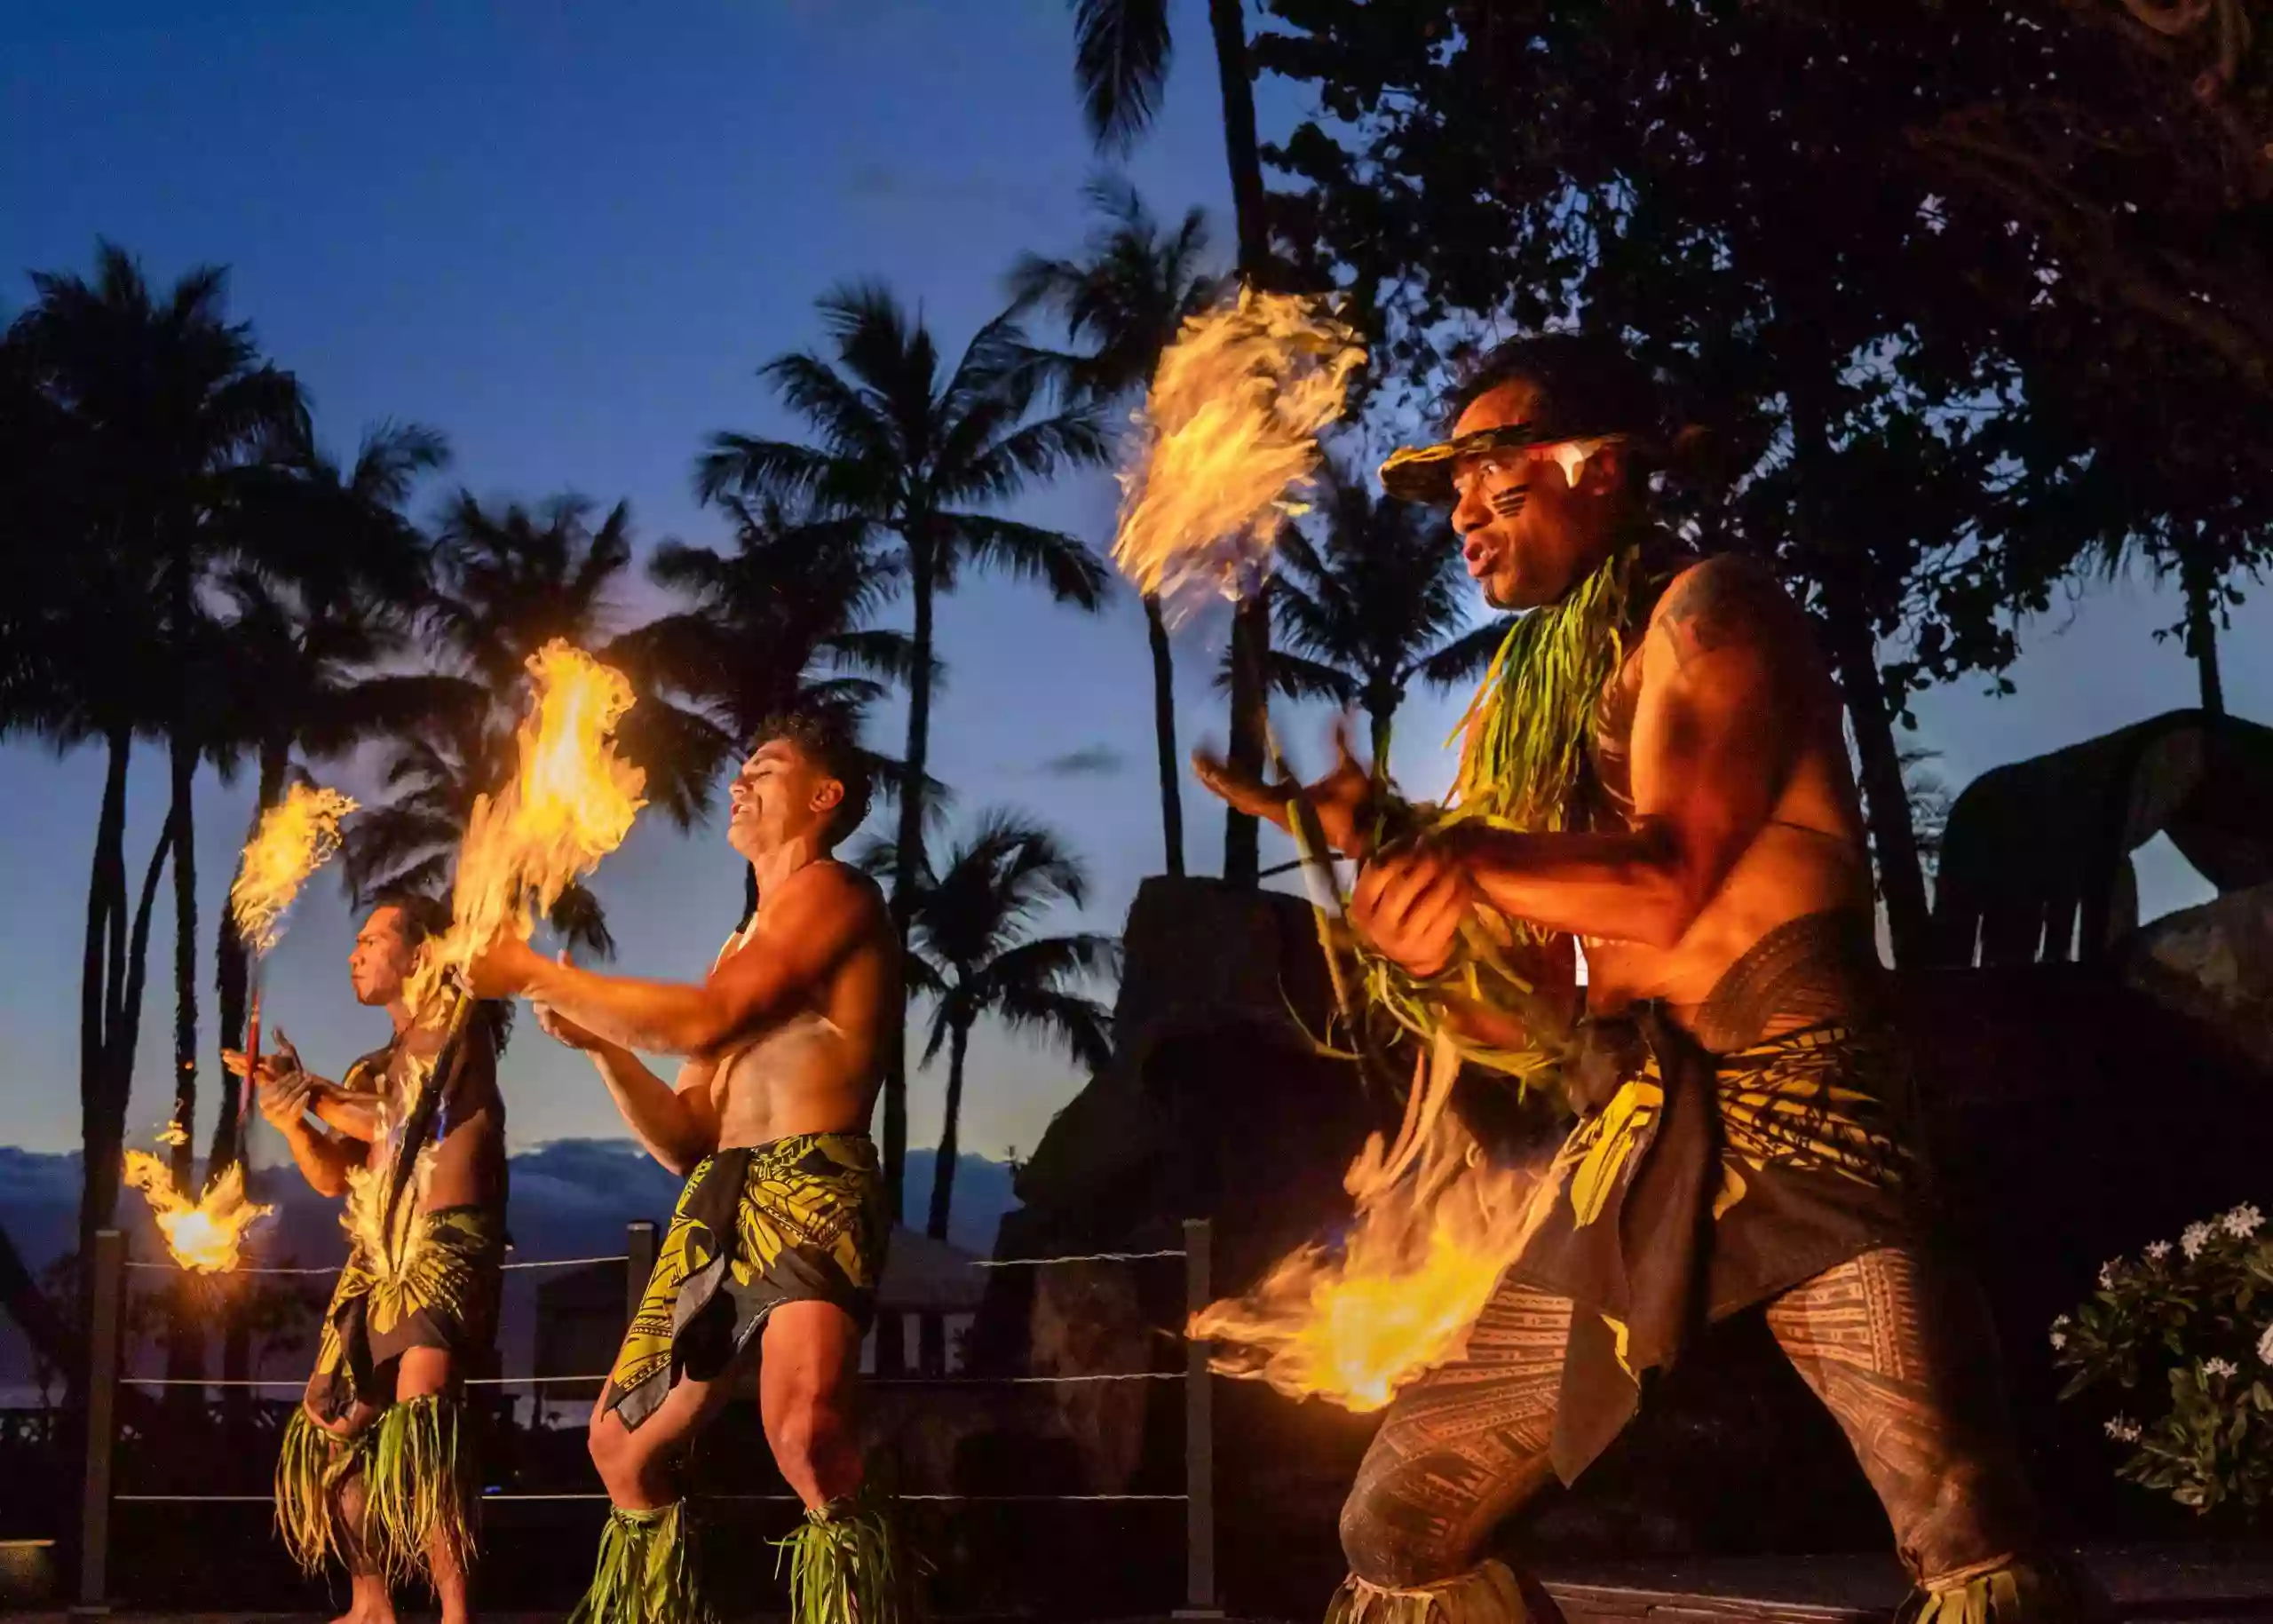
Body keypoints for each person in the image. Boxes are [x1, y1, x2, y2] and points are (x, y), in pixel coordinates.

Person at [1197, 333, 2093, 1624]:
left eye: (1491, 476)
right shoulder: (1555, 701)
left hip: (1804, 1122)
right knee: (1397, 1521)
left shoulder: (1716, 612)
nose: (1460, 511)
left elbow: (1672, 876)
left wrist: (1442, 847)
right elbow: (1554, 1006)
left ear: (1598, 468)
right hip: (1639, 1144)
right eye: (1452, 487)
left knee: (1962, 1518)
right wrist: (1435, 938)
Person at [468, 706, 902, 1624]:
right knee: (622, 1446)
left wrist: (541, 974)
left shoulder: (836, 895)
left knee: (804, 1432)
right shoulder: (735, 944)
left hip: (810, 1182)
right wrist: (601, 1046)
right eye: (740, 766)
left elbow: (707, 1020)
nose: (739, 781)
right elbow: (684, 1135)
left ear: (823, 797)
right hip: (722, 1189)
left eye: (767, 767)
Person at [230, 893, 509, 1624]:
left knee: (423, 1426)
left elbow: (403, 1113)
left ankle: (455, 1612)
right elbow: (334, 1175)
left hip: (443, 1243)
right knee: (330, 1427)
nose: (354, 953)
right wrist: (292, 1116)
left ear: (419, 954)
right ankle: (371, 1603)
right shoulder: (369, 1065)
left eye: (370, 939)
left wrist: (309, 1087)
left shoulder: (456, 1027)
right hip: (372, 1256)